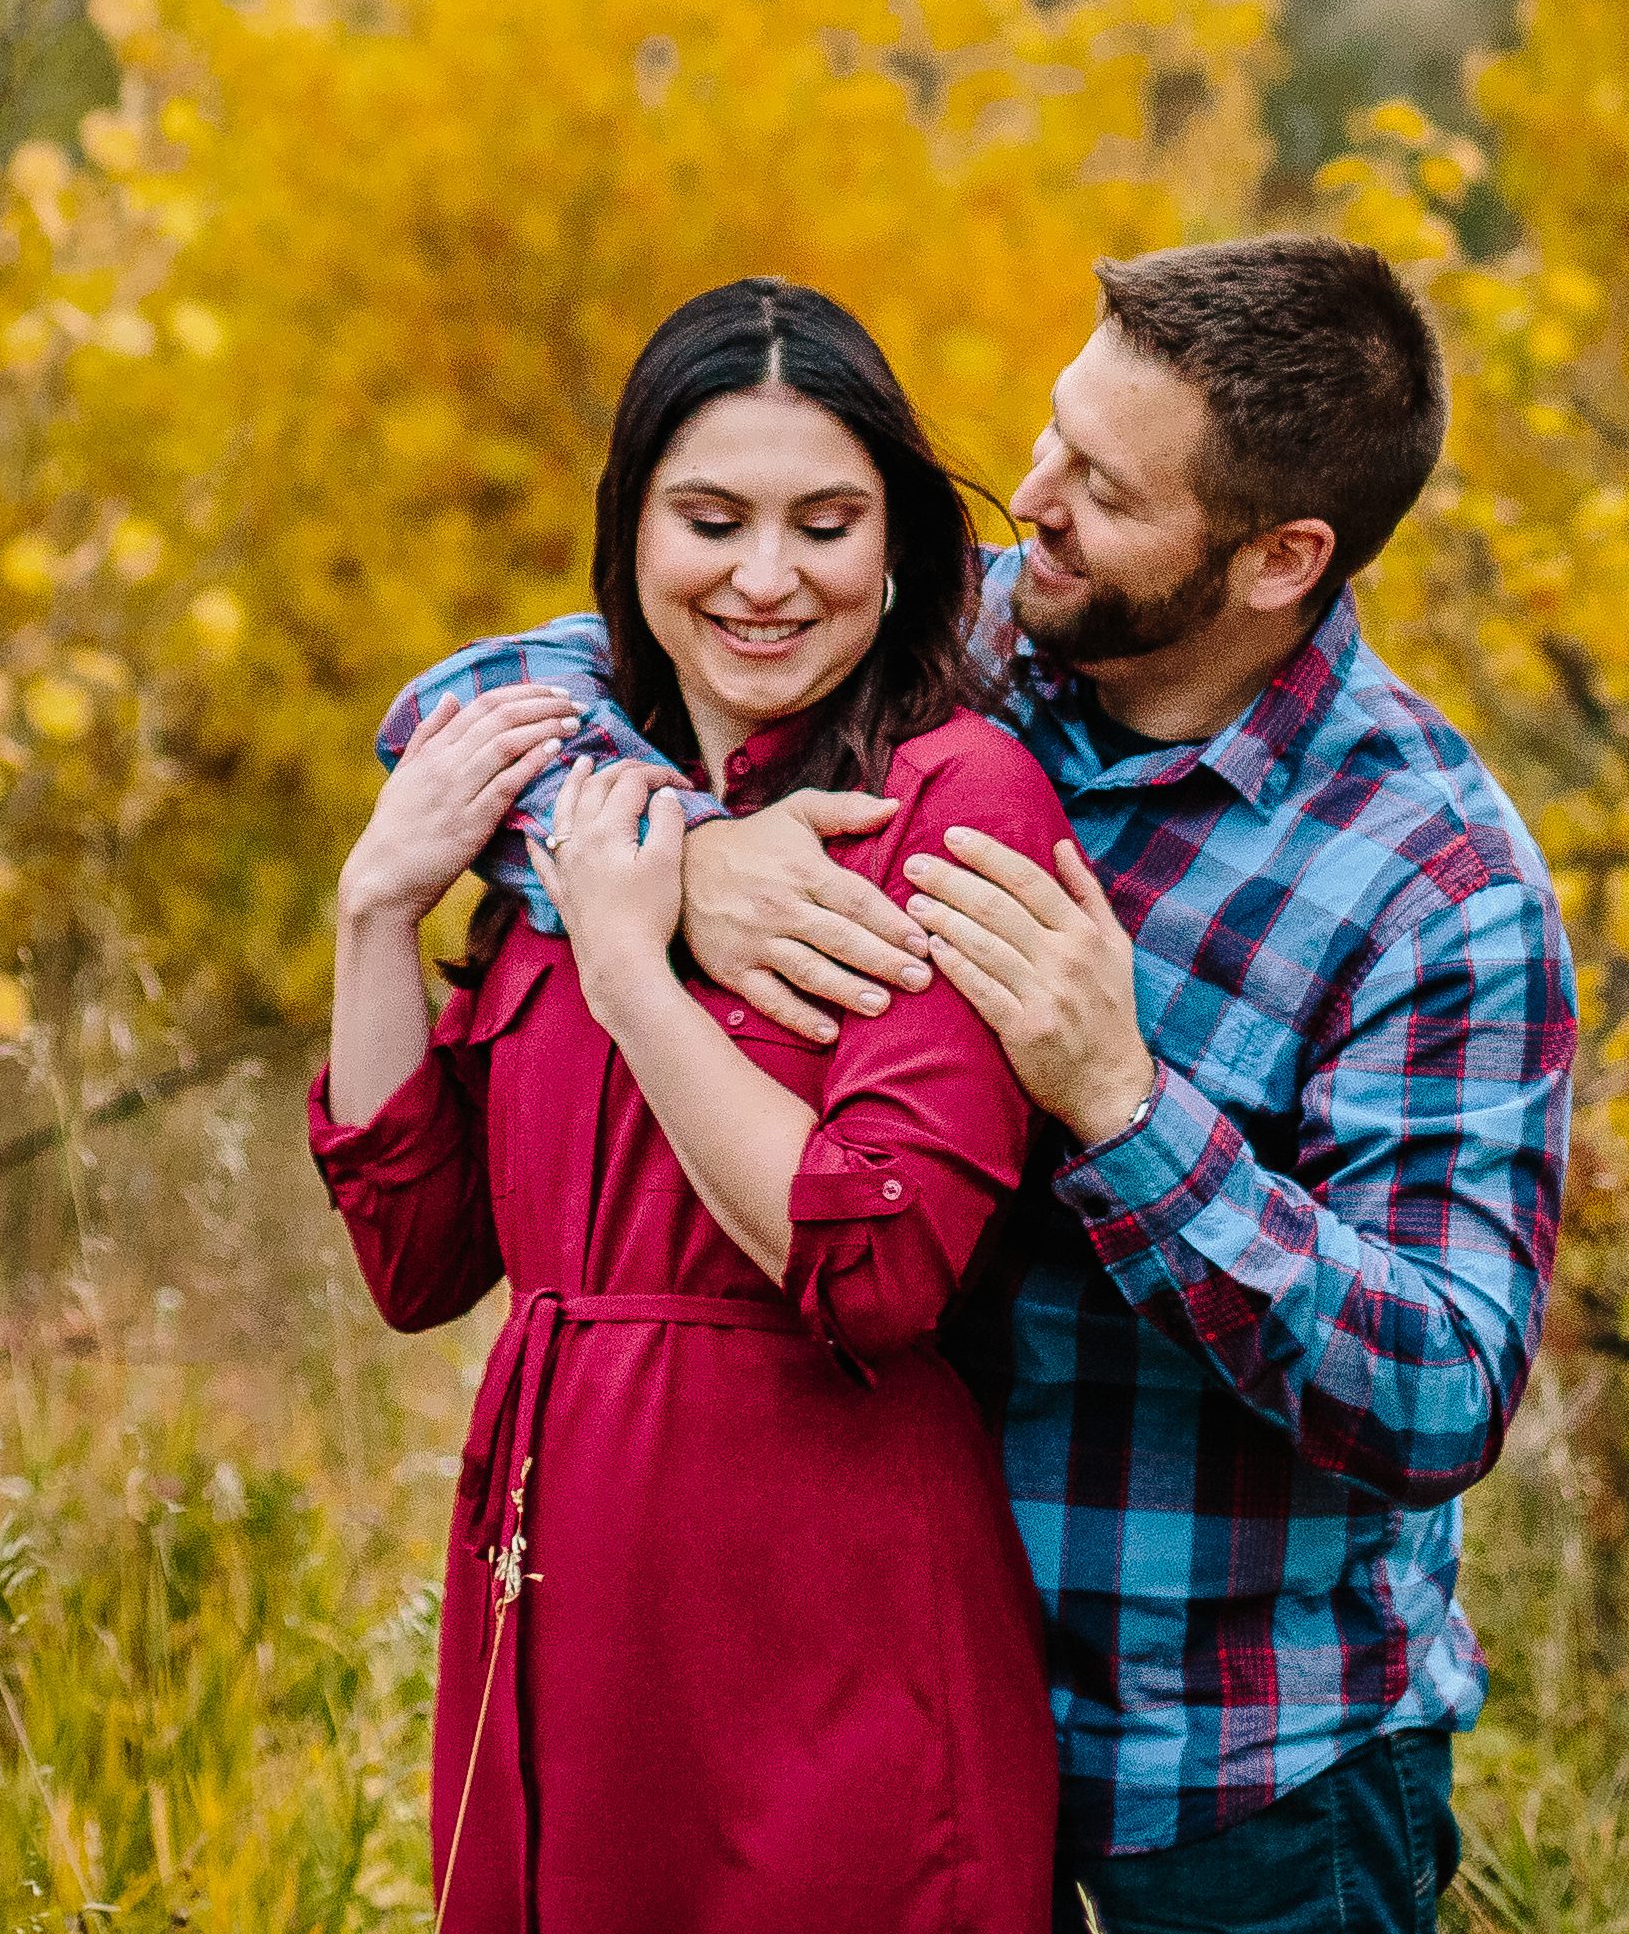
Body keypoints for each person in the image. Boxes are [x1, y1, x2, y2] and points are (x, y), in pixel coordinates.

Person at [379, 233, 1573, 1934]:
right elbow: (488, 691)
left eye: (1105, 486)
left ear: (1278, 558)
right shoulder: (975, 634)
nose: (1035, 503)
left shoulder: (1432, 885)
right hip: (862, 1680)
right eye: (1055, 436)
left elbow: (1442, 1390)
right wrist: (686, 860)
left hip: (1224, 1772)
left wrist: (1128, 1113)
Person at [311, 278, 1072, 1934]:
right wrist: (379, 908)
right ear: (633, 534)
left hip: (824, 1604)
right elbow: (420, 1257)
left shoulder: (950, 800)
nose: (765, 576)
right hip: (562, 1581)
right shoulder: (581, 811)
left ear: (899, 546)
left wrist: (632, 975)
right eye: (711, 520)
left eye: (825, 524)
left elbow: (881, 1269)